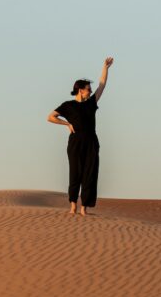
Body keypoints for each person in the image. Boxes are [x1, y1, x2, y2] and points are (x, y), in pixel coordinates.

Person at [47, 57, 114, 215]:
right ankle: (73, 206)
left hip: (91, 142)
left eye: (90, 89)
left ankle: (84, 208)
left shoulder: (91, 103)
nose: (91, 91)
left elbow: (102, 84)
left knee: (89, 174)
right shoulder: (68, 106)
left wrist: (105, 67)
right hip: (75, 143)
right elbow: (50, 117)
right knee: (75, 173)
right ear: (80, 90)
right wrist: (67, 124)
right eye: (88, 89)